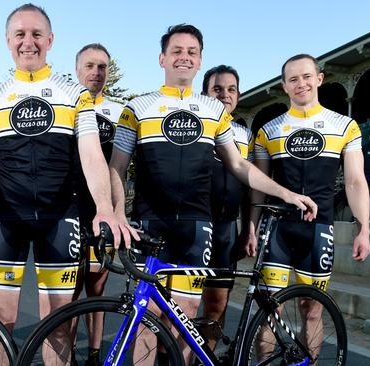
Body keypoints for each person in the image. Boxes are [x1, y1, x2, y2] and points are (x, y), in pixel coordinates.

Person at [0, 3, 124, 364]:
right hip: (5, 220)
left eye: (36, 34)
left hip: (60, 218)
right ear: (8, 41)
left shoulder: (74, 95)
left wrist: (105, 208)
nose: (28, 42)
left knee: (58, 325)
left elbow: (92, 155)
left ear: (50, 40)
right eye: (20, 34)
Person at [109, 24, 316, 364]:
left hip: (196, 225)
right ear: (162, 58)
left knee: (187, 314)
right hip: (149, 223)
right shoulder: (137, 107)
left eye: (192, 52)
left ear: (199, 59)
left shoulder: (214, 111)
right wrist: (116, 212)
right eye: (177, 51)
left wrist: (286, 193)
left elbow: (239, 166)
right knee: (144, 320)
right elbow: (116, 166)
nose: (184, 57)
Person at [246, 54, 370, 359]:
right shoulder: (269, 130)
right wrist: (251, 225)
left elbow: (355, 182)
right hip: (276, 229)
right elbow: (257, 185)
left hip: (319, 229)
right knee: (270, 310)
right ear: (284, 86)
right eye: (293, 79)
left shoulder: (345, 126)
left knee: (312, 311)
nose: (300, 83)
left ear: (319, 78)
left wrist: (363, 228)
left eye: (306, 76)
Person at [72, 42, 124, 365]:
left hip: (100, 212)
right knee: (69, 291)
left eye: (102, 67)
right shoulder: (67, 105)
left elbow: (121, 166)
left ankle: (94, 352)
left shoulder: (119, 113)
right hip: (69, 211)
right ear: (77, 70)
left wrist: (119, 210)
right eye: (89, 66)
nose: (96, 72)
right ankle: (66, 350)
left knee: (97, 287)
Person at [200, 65, 253, 350]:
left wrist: (248, 229)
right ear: (204, 94)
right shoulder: (193, 124)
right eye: (217, 89)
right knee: (175, 303)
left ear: (238, 95)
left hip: (226, 229)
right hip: (191, 224)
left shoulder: (244, 134)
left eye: (231, 89)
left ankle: (206, 355)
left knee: (217, 303)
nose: (224, 94)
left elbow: (248, 187)